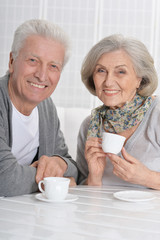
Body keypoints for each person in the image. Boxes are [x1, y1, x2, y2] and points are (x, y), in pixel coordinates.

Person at [0, 19, 78, 197]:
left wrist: (60, 164)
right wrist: (56, 180)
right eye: (33, 60)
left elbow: (73, 168)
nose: (42, 75)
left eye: (53, 66)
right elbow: (4, 180)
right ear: (12, 61)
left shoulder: (46, 106)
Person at [76, 34, 160, 190]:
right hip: (104, 213)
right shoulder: (90, 125)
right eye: (101, 70)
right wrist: (94, 177)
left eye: (120, 72)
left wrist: (147, 178)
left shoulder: (157, 115)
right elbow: (81, 193)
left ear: (139, 79)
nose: (108, 81)